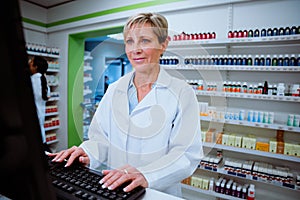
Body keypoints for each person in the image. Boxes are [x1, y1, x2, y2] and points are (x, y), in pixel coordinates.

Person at [50, 12, 203, 197]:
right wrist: (87, 152)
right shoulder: (115, 89)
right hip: (114, 189)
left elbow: (186, 154)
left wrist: (147, 174)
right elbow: (101, 139)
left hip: (156, 193)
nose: (135, 49)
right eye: (130, 41)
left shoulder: (181, 93)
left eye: (145, 40)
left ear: (164, 44)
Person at [29, 55, 51, 153]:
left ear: (35, 66)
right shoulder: (44, 81)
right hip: (40, 119)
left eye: (31, 62)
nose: (29, 63)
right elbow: (48, 96)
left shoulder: (31, 80)